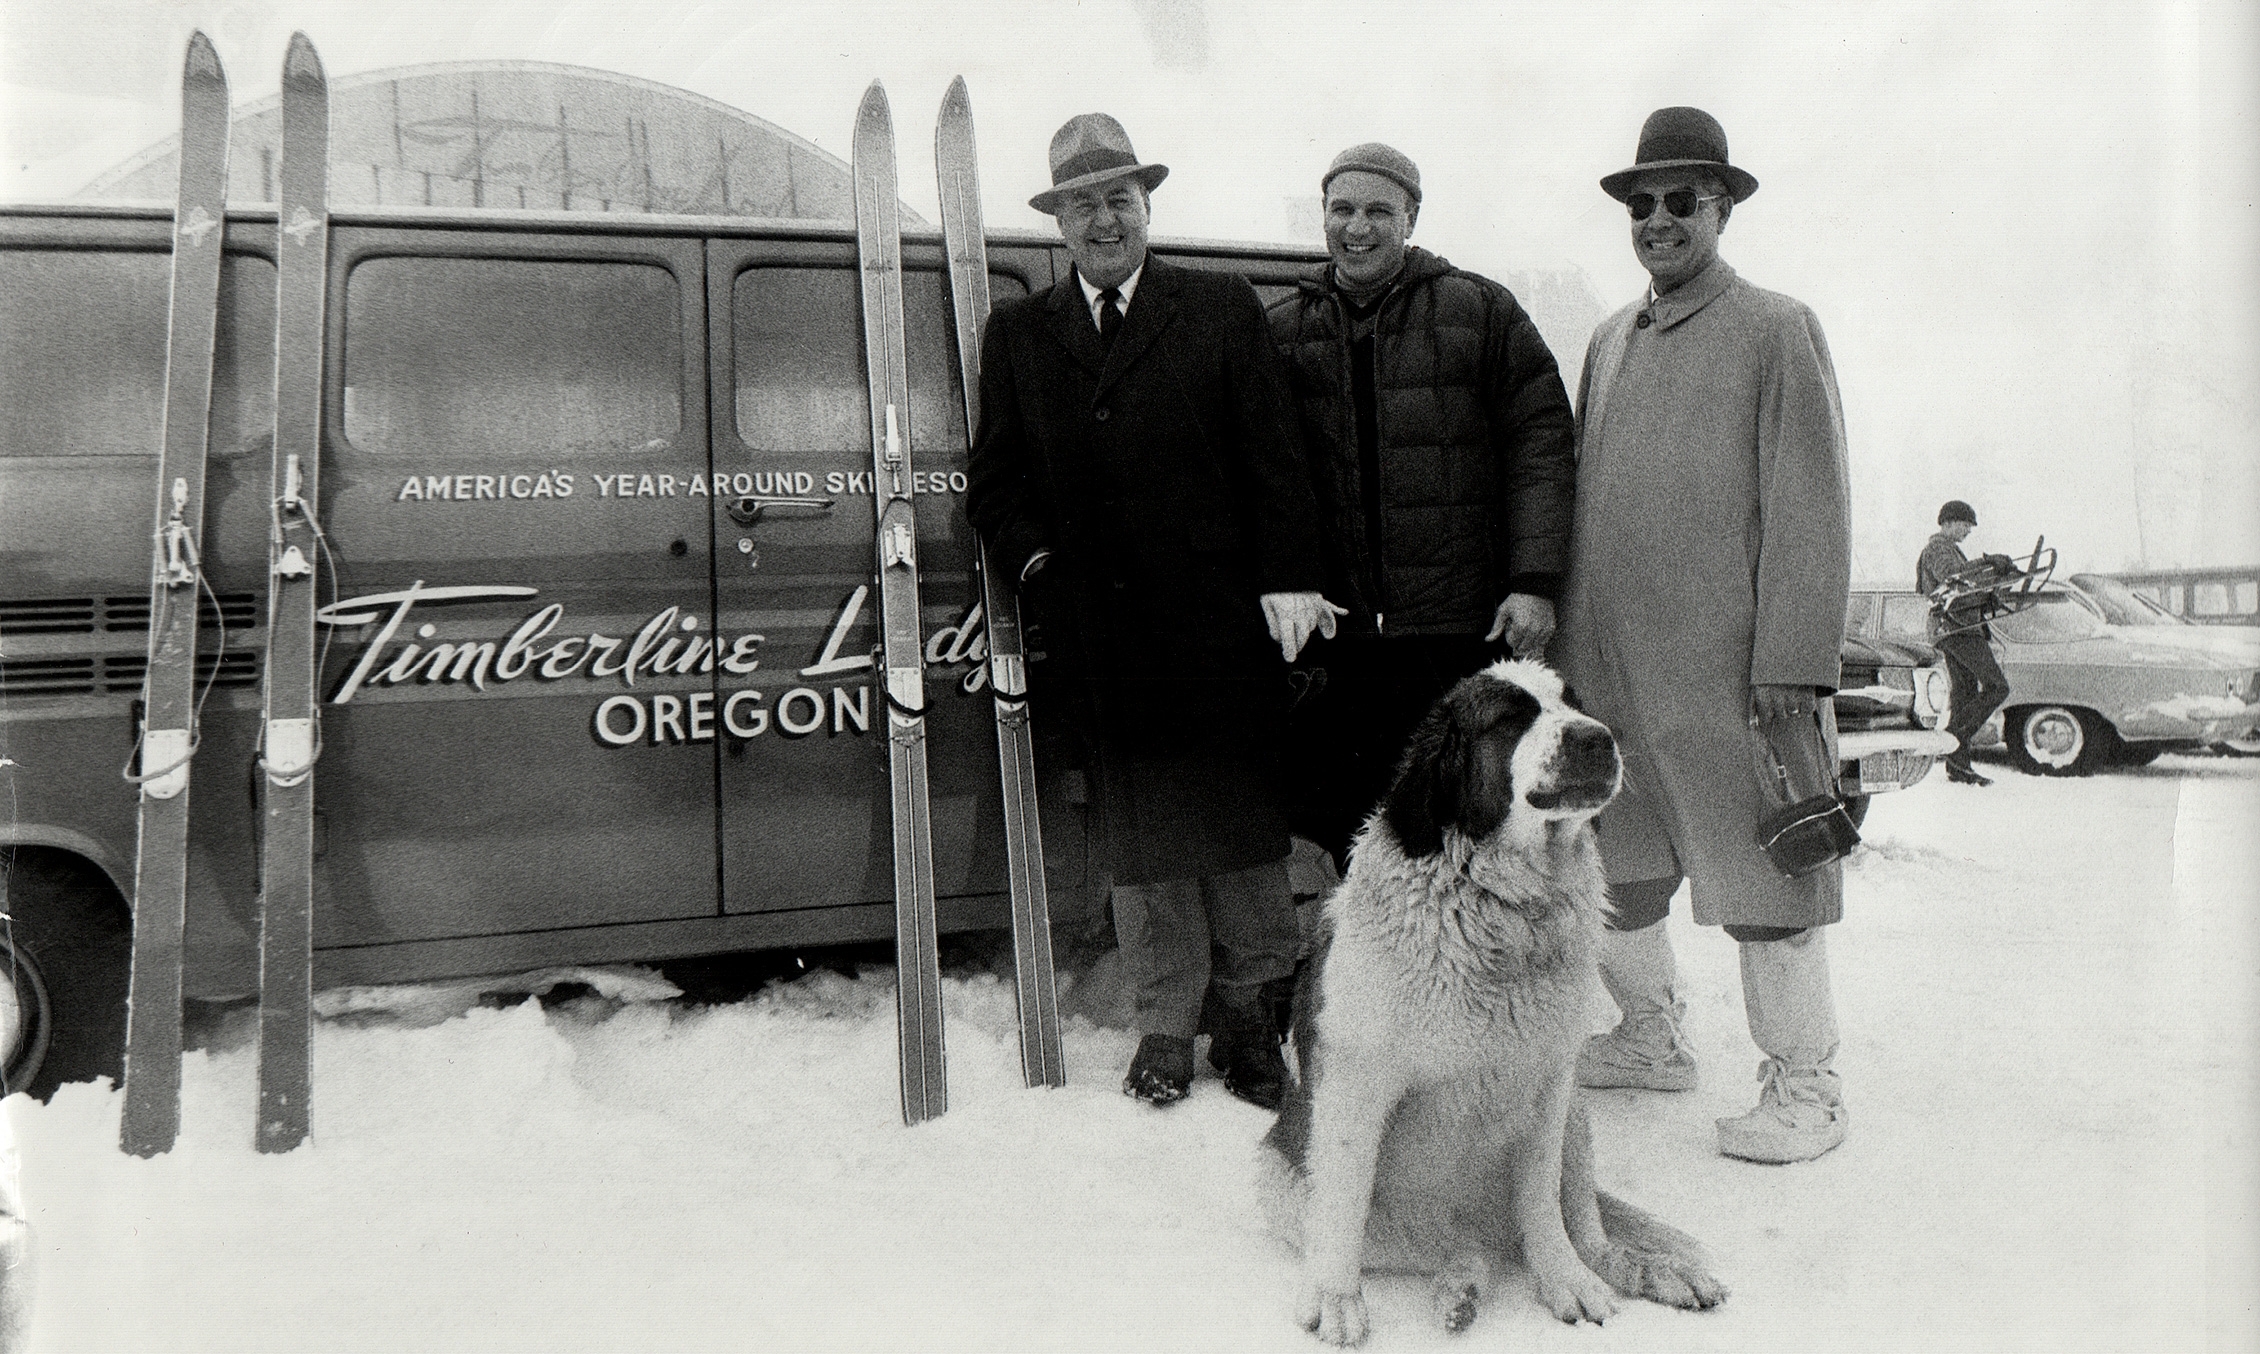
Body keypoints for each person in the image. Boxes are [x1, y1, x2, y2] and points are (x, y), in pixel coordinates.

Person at [965, 113, 1335, 1111]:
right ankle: (1164, 1026)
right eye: (1082, 204)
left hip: (1218, 628)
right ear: (1058, 223)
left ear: (1145, 207)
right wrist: (1039, 563)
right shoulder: (1022, 333)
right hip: (1106, 634)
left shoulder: (1217, 309)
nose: (1102, 220)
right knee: (1143, 844)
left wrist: (1288, 585)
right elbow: (993, 483)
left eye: (1118, 199)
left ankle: (1253, 1027)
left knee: (1242, 836)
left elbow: (1276, 463)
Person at [1551, 107, 1855, 1163]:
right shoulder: (1604, 342)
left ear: (1721, 206)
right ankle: (1649, 1035)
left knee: (1768, 883)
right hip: (1610, 677)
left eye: (1682, 199)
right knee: (1616, 873)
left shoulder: (1775, 326)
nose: (1658, 219)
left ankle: (1806, 1088)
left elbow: (1809, 506)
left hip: (1733, 679)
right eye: (1641, 204)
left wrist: (1790, 659)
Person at [1267, 143, 1577, 871]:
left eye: (1379, 210)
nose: (1358, 227)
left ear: (1412, 216)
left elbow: (1540, 442)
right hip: (1338, 642)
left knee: (1467, 827)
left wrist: (1534, 581)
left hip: (1455, 634)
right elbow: (1263, 473)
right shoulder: (1283, 330)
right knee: (1353, 829)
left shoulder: (1480, 310)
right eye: (1341, 209)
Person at [1917, 500, 2015, 785]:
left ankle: (1958, 767)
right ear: (1947, 521)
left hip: (1958, 628)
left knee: (1965, 695)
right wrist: (1986, 564)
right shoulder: (1937, 548)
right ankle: (1952, 738)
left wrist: (1989, 594)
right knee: (1997, 686)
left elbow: (1962, 590)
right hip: (1957, 630)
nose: (1969, 530)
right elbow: (1951, 578)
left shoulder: (1949, 549)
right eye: (1965, 524)